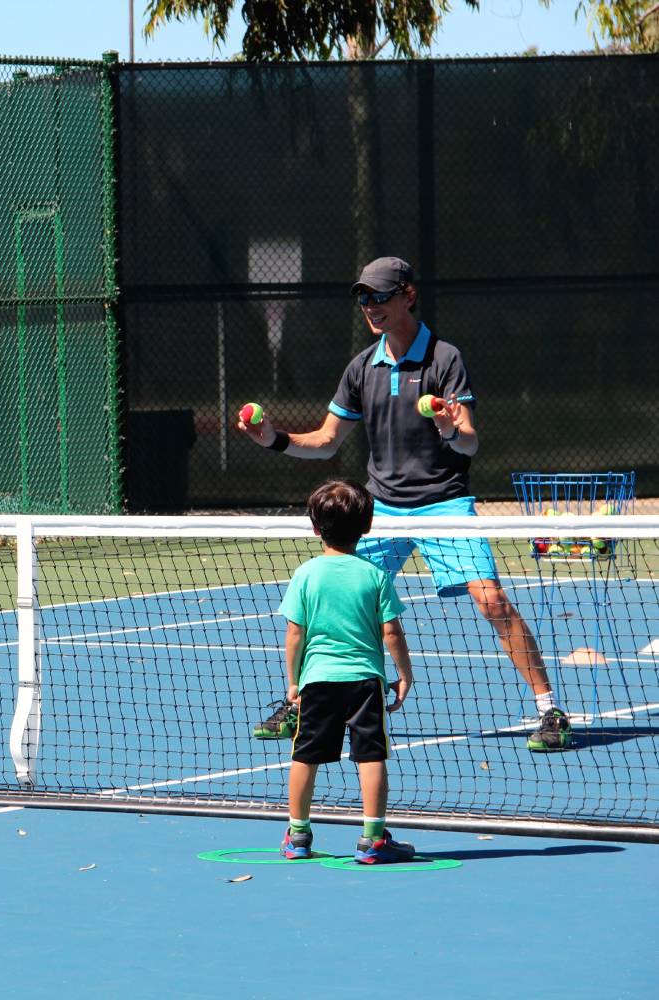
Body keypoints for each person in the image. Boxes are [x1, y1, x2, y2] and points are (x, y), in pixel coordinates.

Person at [240, 256, 571, 752]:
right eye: (363, 298)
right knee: (333, 602)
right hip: (381, 510)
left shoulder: (445, 359)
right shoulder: (361, 368)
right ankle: (301, 703)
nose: (370, 306)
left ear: (408, 295)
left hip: (445, 504)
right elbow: (328, 442)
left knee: (493, 602)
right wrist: (273, 438)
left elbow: (470, 444)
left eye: (380, 296)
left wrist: (448, 428)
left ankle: (551, 712)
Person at [278, 478, 415, 864]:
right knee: (370, 757)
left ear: (315, 527)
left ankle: (298, 836)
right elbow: (391, 631)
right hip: (364, 683)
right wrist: (405, 674)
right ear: (367, 526)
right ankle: (372, 840)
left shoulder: (306, 574)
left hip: (317, 681)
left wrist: (293, 681)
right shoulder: (375, 576)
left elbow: (294, 633)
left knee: (305, 756)